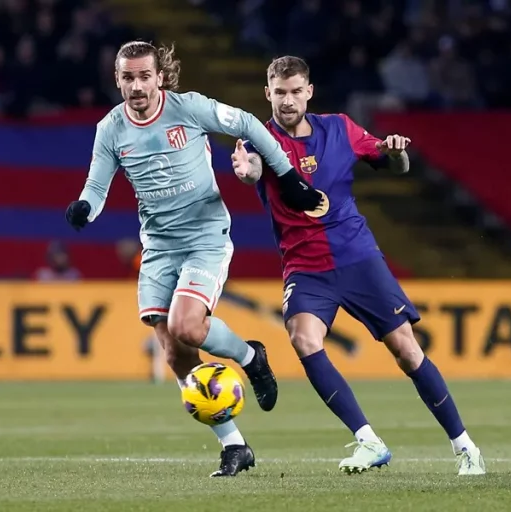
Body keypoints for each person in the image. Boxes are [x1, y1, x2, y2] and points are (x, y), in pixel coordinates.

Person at [64, 42, 322, 477]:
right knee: (174, 351)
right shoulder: (110, 129)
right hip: (159, 247)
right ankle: (235, 446)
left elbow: (244, 123)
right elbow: (97, 186)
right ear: (118, 81)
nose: (138, 86)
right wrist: (85, 208)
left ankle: (250, 356)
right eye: (129, 78)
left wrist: (288, 175)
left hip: (205, 238)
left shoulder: (189, 109)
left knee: (187, 325)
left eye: (145, 76)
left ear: (159, 77)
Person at [231, 56, 486, 476]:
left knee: (406, 350)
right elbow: (252, 170)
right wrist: (247, 172)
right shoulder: (258, 142)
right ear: (267, 93)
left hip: (357, 256)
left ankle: (465, 447)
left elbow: (393, 163)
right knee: (303, 338)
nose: (289, 101)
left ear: (309, 91)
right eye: (280, 93)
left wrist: (397, 152)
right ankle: (368, 440)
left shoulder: (340, 128)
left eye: (296, 91)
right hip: (305, 266)